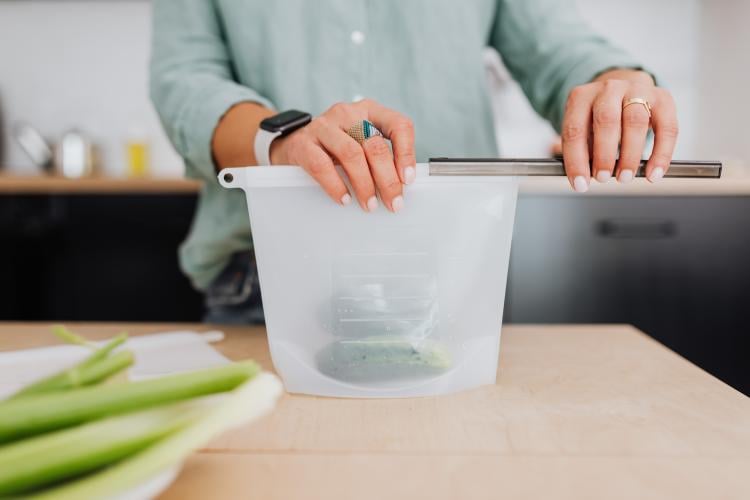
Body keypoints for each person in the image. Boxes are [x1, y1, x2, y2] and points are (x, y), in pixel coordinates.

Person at [150, 0, 678, 324]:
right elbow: (184, 81)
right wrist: (284, 138)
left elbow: (558, 47)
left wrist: (620, 82)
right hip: (264, 280)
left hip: (456, 272)